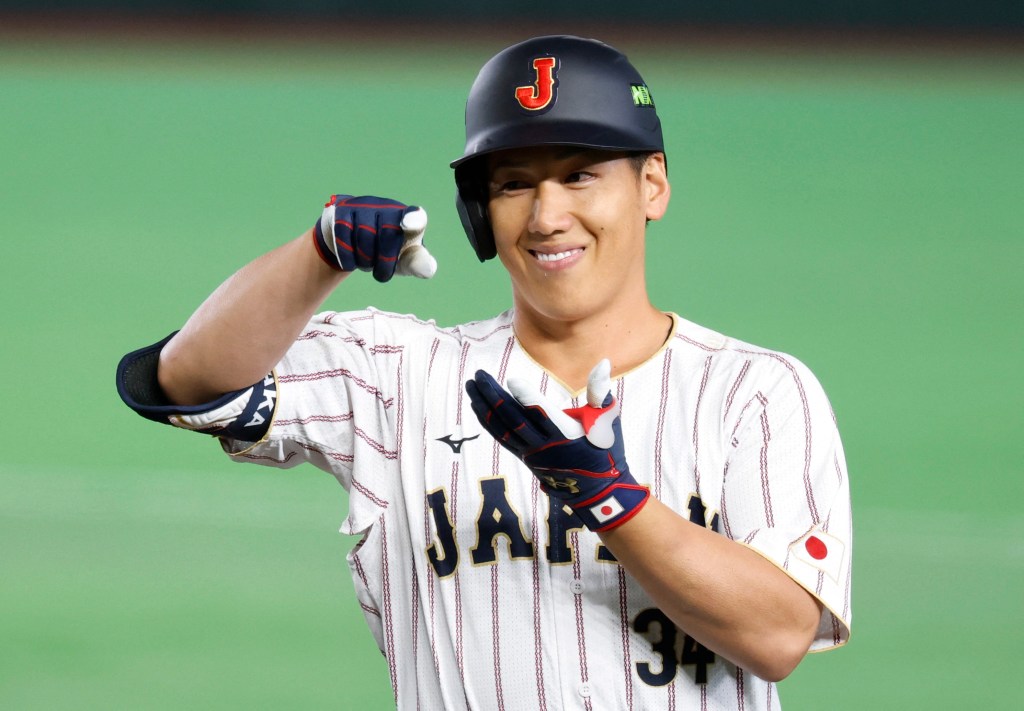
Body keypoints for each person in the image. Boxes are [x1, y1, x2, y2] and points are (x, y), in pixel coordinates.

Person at [117, 35, 851, 710]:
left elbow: (778, 633)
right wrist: (319, 252)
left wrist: (611, 499)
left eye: (580, 175)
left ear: (651, 185)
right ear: (479, 211)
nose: (547, 215)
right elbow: (189, 380)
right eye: (514, 184)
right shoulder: (400, 377)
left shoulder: (755, 393)